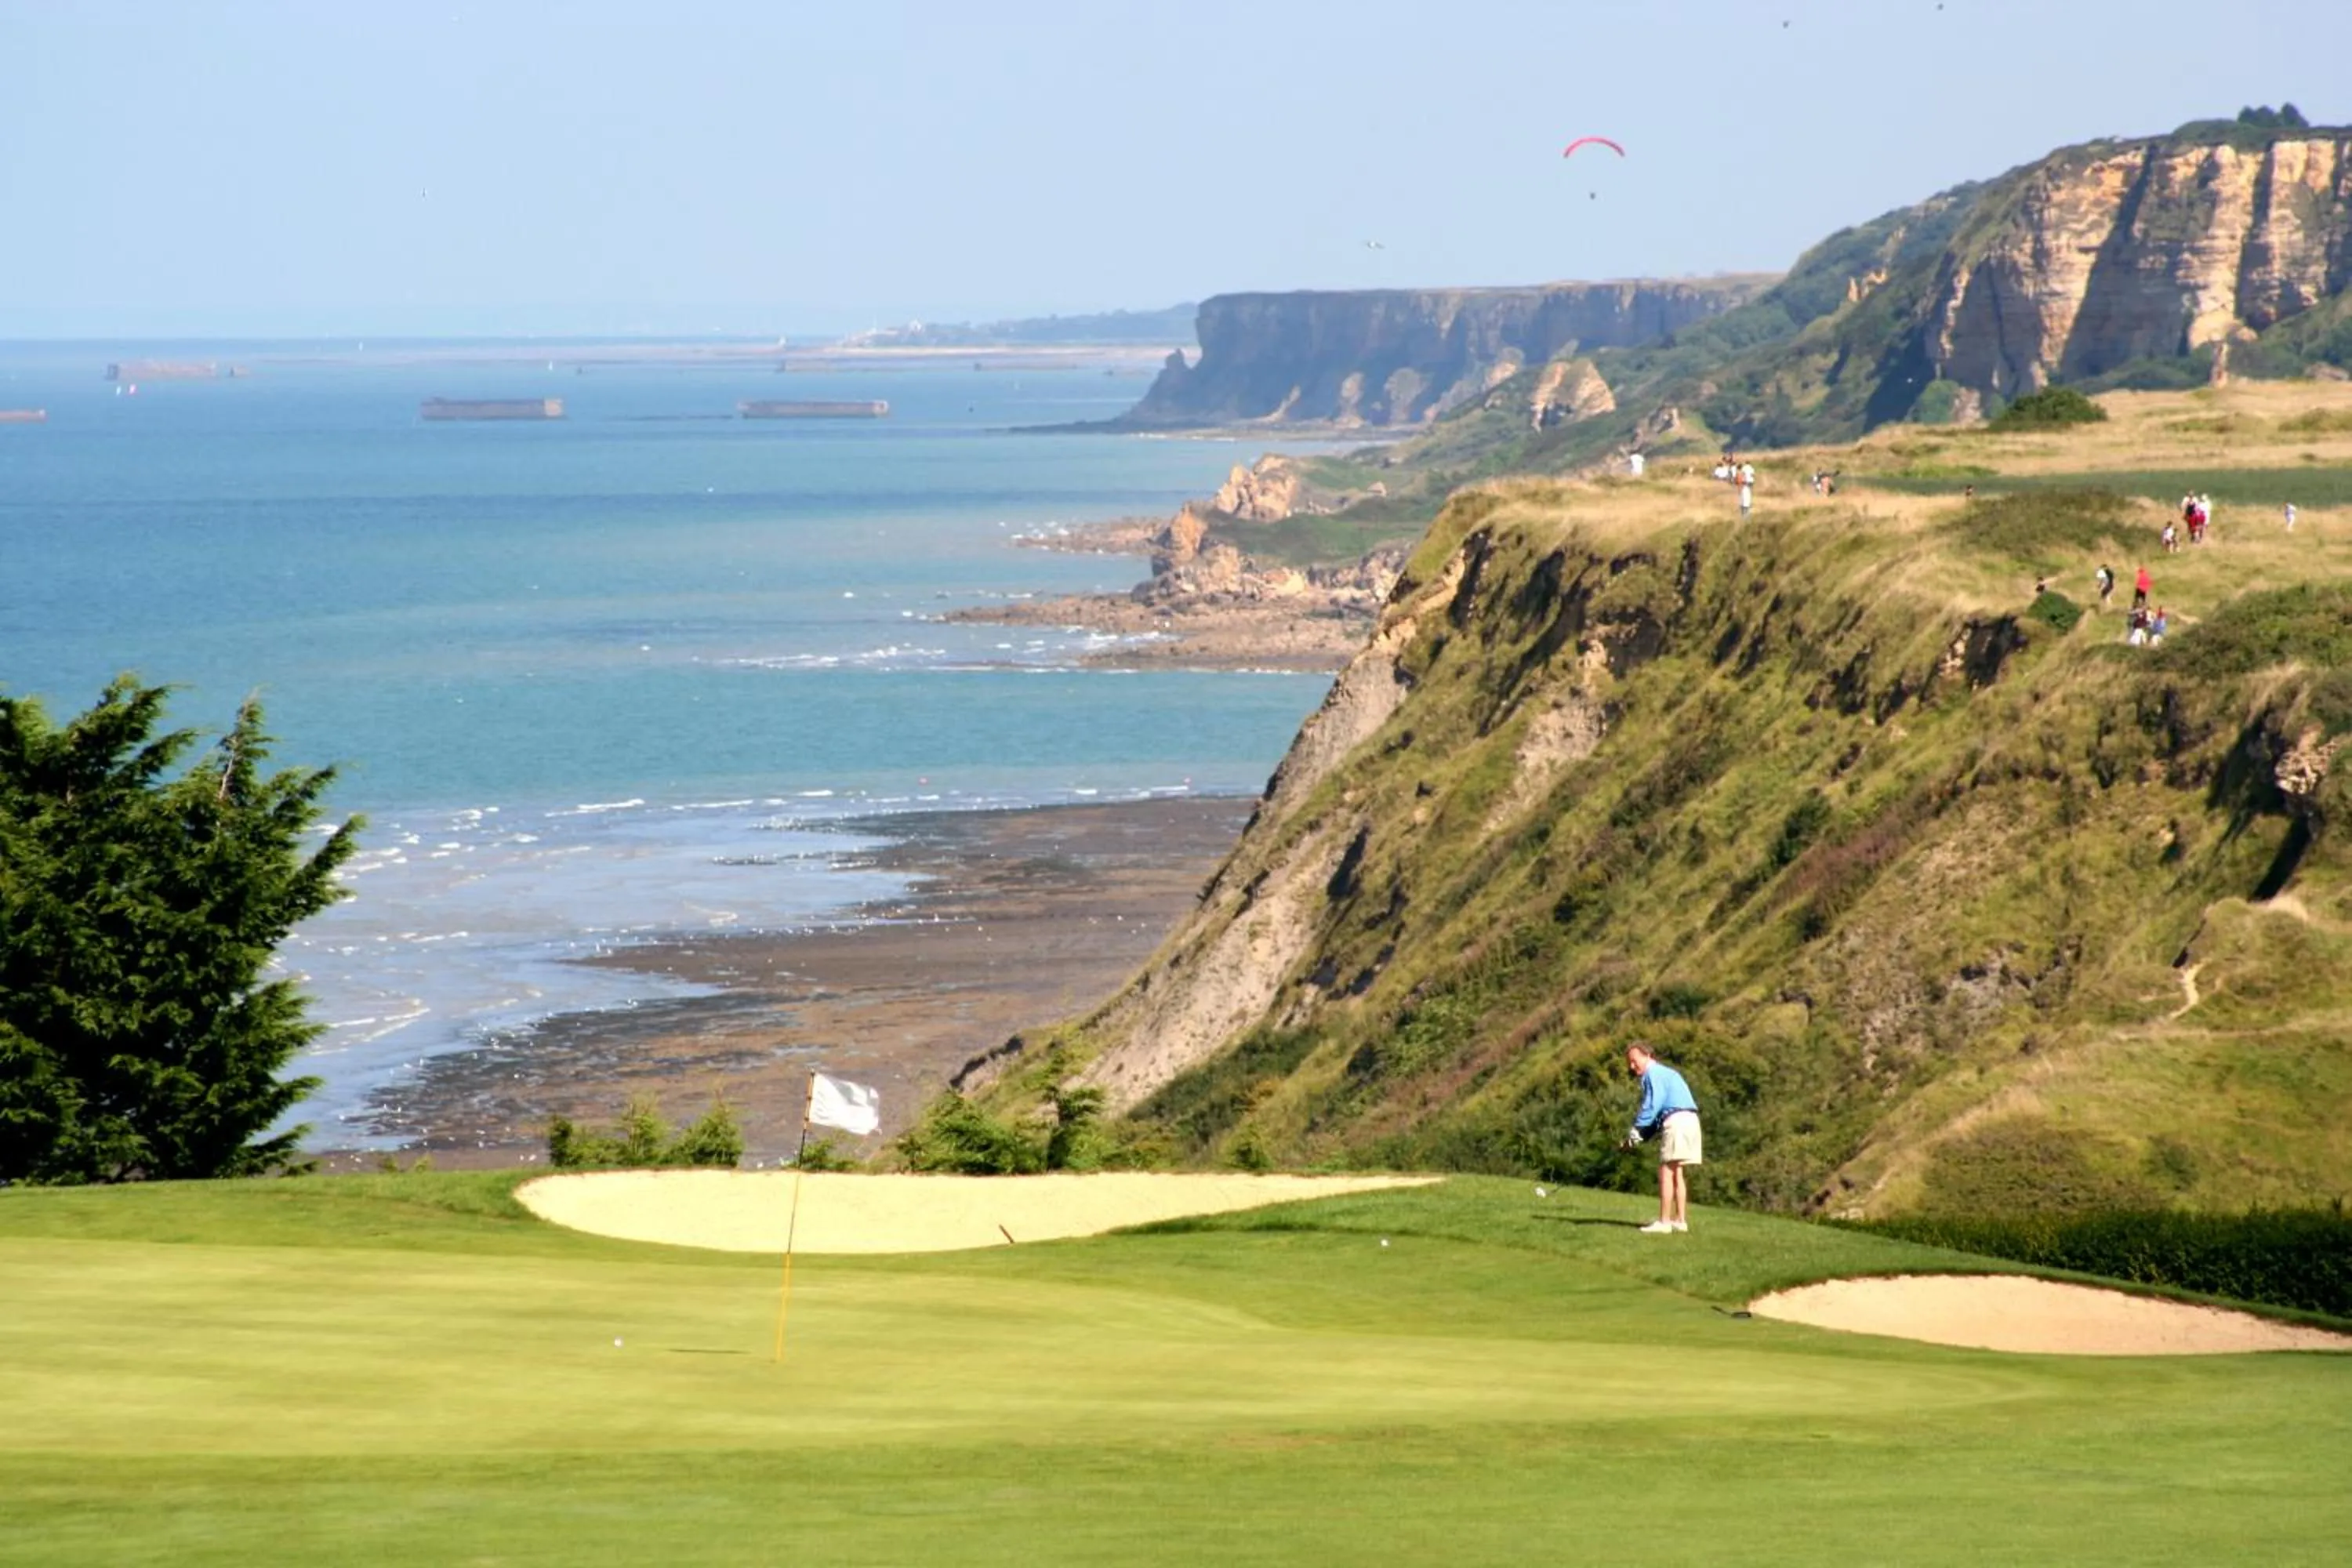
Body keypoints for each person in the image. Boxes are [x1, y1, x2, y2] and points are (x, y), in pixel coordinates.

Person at [1623, 1043, 1702, 1234]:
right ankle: (1680, 1221)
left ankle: (1664, 1223)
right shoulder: (1668, 1073)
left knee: (1666, 1170)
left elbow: (1653, 1105)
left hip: (1677, 1122)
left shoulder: (1653, 1073)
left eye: (1634, 1061)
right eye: (1629, 1063)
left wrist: (1635, 1132)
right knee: (1677, 1172)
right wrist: (1640, 1137)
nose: (1632, 1067)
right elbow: (1657, 1116)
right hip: (1690, 1121)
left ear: (1648, 1055)